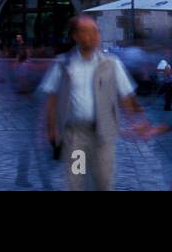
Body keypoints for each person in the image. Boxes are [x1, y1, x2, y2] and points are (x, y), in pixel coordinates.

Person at [40, 16, 155, 191]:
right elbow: (52, 98)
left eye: (96, 31)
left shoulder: (111, 64)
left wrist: (139, 122)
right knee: (76, 182)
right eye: (86, 31)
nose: (93, 36)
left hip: (103, 135)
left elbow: (127, 96)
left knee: (103, 183)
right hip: (75, 136)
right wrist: (51, 129)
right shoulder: (63, 64)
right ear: (75, 36)